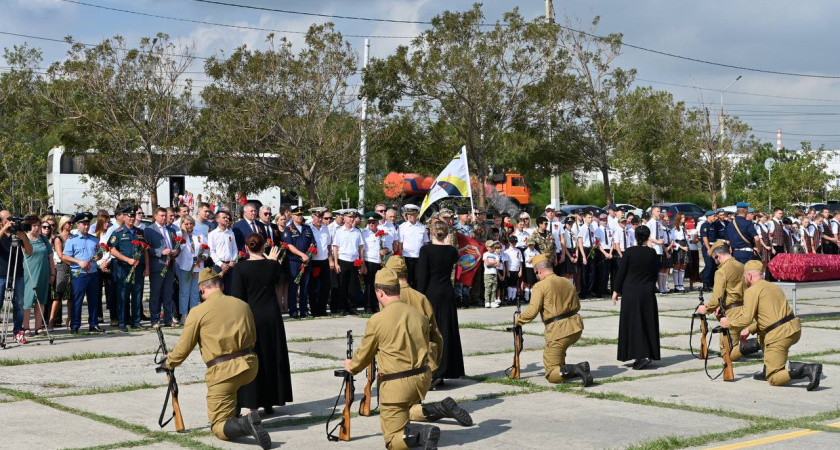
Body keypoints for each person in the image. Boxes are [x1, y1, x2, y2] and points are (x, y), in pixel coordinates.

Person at [161, 267, 271, 449]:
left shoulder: (198, 312)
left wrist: (168, 362)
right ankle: (236, 413)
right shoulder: (242, 305)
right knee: (232, 389)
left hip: (224, 372)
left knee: (219, 427)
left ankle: (246, 423)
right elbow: (253, 336)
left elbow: (183, 349)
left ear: (202, 290)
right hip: (250, 366)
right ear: (222, 285)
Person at [343, 268, 442, 450]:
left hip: (396, 385)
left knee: (392, 440)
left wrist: (352, 366)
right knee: (404, 414)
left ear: (379, 292)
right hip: (422, 380)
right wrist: (431, 368)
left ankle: (421, 434)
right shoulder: (418, 316)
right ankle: (417, 427)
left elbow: (365, 354)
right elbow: (437, 341)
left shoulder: (377, 319)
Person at [384, 256, 473, 428]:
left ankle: (438, 410)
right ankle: (440, 408)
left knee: (398, 411)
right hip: (422, 365)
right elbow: (436, 335)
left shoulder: (390, 299)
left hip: (398, 367)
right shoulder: (421, 298)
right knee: (410, 404)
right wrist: (433, 364)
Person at [721, 261, 822, 390]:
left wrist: (727, 323)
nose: (744, 279)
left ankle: (806, 369)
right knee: (761, 336)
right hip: (794, 329)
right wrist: (750, 329)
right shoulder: (774, 287)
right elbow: (769, 317)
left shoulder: (752, 291)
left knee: (774, 378)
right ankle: (767, 367)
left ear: (750, 276)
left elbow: (746, 319)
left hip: (779, 335)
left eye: (744, 276)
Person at [231, 233, 293, 416]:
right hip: (271, 316)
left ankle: (251, 402)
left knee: (251, 358)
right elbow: (276, 277)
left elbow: (236, 297)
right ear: (263, 247)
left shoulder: (240, 268)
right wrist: (271, 259)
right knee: (271, 355)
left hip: (251, 315)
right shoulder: (272, 265)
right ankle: (270, 400)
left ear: (246, 247)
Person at [516, 254, 592, 385]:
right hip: (576, 328)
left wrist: (518, 319)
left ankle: (576, 368)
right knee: (558, 359)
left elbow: (532, 311)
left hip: (558, 331)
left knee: (551, 373)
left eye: (536, 273)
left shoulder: (540, 286)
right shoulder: (567, 282)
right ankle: (570, 369)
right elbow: (577, 305)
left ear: (539, 271)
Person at [417, 221, 465, 388]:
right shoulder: (451, 251)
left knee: (431, 333)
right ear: (446, 234)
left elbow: (422, 277)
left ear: (431, 233)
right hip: (447, 292)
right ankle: (446, 370)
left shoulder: (426, 250)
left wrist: (419, 297)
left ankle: (434, 371)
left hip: (432, 294)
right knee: (447, 331)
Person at [697, 241, 760, 361]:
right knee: (733, 345)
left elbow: (716, 298)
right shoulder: (742, 266)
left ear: (718, 256)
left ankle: (758, 343)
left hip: (732, 313)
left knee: (727, 353)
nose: (715, 262)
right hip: (746, 309)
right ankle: (755, 343)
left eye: (715, 259)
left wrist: (706, 309)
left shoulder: (722, 271)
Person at [612, 225, 660, 370]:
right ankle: (647, 353)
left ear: (635, 236)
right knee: (647, 322)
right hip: (646, 290)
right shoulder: (652, 253)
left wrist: (616, 290)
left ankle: (639, 355)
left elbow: (621, 272)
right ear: (647, 236)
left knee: (633, 323)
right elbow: (654, 273)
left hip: (631, 290)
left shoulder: (629, 252)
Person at [61, 213, 104, 333]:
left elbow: (99, 253)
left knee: (94, 299)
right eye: (83, 224)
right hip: (79, 274)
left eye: (88, 224)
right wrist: (78, 261)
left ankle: (94, 324)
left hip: (93, 273)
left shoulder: (94, 239)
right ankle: (75, 325)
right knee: (77, 300)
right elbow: (65, 256)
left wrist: (98, 256)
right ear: (78, 225)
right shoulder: (72, 240)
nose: (86, 226)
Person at [109, 206, 150, 331]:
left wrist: (147, 266)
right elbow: (112, 250)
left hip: (138, 269)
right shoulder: (118, 232)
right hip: (124, 268)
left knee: (137, 295)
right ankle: (122, 323)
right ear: (124, 217)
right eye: (129, 216)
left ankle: (136, 321)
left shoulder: (140, 232)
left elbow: (145, 250)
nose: (131, 218)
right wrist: (127, 260)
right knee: (123, 296)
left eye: (133, 216)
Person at [0, 211, 34, 344]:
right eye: (9, 219)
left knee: (19, 304)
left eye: (13, 219)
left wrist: (23, 237)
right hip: (1, 274)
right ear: (2, 221)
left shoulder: (19, 234)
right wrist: (4, 229)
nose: (12, 221)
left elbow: (30, 252)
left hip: (17, 274)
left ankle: (18, 332)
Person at [22, 214, 54, 336]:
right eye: (34, 226)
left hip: (43, 273)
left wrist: (52, 273)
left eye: (38, 225)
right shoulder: (24, 238)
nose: (36, 228)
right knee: (28, 301)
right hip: (28, 274)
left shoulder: (43, 239)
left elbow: (50, 257)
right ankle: (26, 326)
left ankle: (38, 326)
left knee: (41, 300)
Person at [283, 205, 315, 319]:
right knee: (293, 286)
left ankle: (304, 310)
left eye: (301, 215)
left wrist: (309, 254)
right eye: (297, 215)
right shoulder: (289, 229)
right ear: (292, 216)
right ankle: (293, 310)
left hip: (306, 262)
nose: (300, 217)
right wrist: (302, 255)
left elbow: (313, 244)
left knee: (305, 286)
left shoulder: (307, 228)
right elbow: (289, 246)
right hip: (294, 262)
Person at [332, 210, 365, 315]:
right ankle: (342, 308)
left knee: (353, 286)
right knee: (342, 285)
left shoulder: (357, 231)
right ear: (344, 218)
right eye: (349, 217)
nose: (351, 219)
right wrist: (336, 263)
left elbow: (361, 248)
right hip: (343, 260)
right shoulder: (339, 231)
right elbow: (335, 248)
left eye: (353, 217)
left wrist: (361, 262)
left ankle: (352, 307)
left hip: (354, 261)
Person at [175, 215, 205, 323]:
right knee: (184, 292)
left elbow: (206, 248)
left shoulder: (199, 233)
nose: (189, 226)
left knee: (195, 292)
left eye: (190, 223)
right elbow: (178, 249)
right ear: (182, 224)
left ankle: (193, 313)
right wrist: (184, 234)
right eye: (186, 224)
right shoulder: (179, 235)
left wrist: (203, 257)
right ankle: (184, 314)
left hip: (198, 266)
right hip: (184, 267)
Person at [361, 212, 394, 313]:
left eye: (374, 222)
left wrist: (385, 250)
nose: (372, 224)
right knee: (369, 285)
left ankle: (377, 305)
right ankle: (368, 306)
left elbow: (389, 247)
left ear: (377, 223)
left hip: (379, 262)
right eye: (370, 222)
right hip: (368, 261)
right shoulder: (364, 233)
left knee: (378, 285)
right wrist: (362, 264)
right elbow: (361, 249)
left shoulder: (382, 233)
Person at [49, 215, 73, 330]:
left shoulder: (74, 237)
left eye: (72, 223)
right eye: (69, 223)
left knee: (71, 295)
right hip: (62, 266)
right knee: (59, 294)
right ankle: (51, 320)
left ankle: (70, 319)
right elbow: (60, 255)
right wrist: (72, 263)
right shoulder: (58, 238)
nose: (71, 225)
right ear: (63, 224)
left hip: (74, 266)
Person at [307, 207, 332, 317]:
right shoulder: (308, 228)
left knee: (325, 286)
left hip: (324, 260)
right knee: (313, 287)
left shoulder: (325, 228)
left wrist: (330, 260)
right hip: (314, 261)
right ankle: (314, 309)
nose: (320, 219)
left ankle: (322, 309)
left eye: (322, 217)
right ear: (313, 216)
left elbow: (328, 245)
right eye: (318, 217)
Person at [207, 210, 238, 295]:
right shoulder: (212, 234)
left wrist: (234, 260)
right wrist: (221, 264)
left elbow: (234, 249)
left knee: (229, 290)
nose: (226, 219)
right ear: (217, 220)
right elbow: (211, 251)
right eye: (224, 217)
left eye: (227, 217)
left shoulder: (230, 233)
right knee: (218, 291)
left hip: (230, 266)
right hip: (219, 266)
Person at [398, 205, 429, 288]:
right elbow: (400, 244)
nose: (410, 216)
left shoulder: (422, 227)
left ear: (417, 215)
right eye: (408, 214)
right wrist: (400, 257)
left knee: (418, 279)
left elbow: (426, 243)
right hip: (407, 257)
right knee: (407, 279)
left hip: (419, 257)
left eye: (412, 214)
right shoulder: (402, 227)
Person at [576, 212, 595, 299]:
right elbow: (580, 242)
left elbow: (592, 238)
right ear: (584, 218)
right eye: (589, 217)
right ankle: (583, 292)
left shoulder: (591, 227)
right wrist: (583, 256)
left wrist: (594, 244)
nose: (590, 219)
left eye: (591, 217)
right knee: (584, 272)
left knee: (592, 271)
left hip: (591, 249)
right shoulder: (582, 228)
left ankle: (590, 290)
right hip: (585, 249)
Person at [670, 213, 689, 293]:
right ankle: (676, 285)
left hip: (685, 246)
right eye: (682, 217)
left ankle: (681, 284)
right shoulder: (674, 229)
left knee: (683, 266)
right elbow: (673, 242)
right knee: (677, 265)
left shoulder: (683, 228)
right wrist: (682, 247)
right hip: (679, 247)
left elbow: (686, 238)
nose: (684, 219)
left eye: (684, 217)